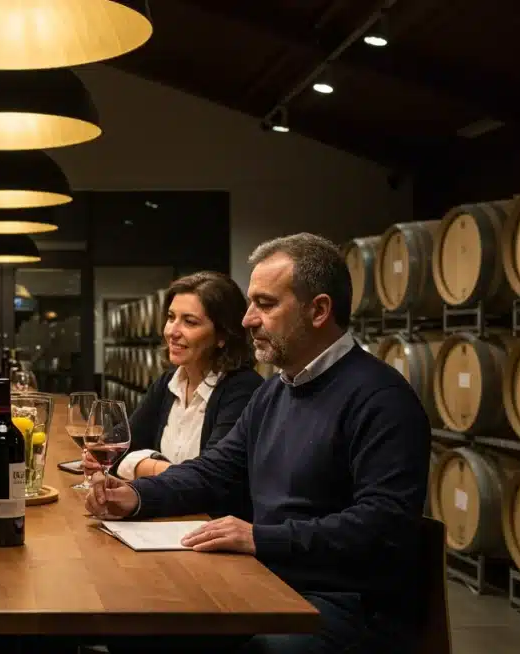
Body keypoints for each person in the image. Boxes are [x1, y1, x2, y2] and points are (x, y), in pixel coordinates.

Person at [86, 233, 430, 653]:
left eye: (265, 304)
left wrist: (259, 538)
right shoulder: (275, 392)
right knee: (140, 626)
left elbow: (383, 526)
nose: (248, 319)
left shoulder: (380, 398)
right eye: (251, 303)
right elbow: (215, 470)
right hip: (267, 580)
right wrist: (135, 496)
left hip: (345, 607)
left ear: (318, 310)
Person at [85, 271, 261, 518]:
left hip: (210, 531)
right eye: (171, 318)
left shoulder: (242, 390)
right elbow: (119, 447)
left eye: (189, 322)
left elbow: (212, 481)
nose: (172, 332)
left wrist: (140, 464)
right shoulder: (168, 382)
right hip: (168, 521)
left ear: (222, 336)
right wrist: (160, 468)